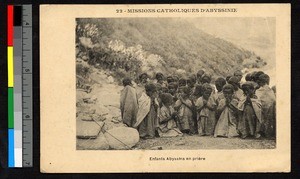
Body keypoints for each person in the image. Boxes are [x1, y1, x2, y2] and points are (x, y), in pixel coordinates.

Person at [255, 74, 276, 138]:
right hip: (270, 107)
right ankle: (268, 133)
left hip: (263, 108)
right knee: (269, 121)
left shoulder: (259, 90)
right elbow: (273, 99)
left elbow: (258, 98)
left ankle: (264, 132)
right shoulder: (270, 89)